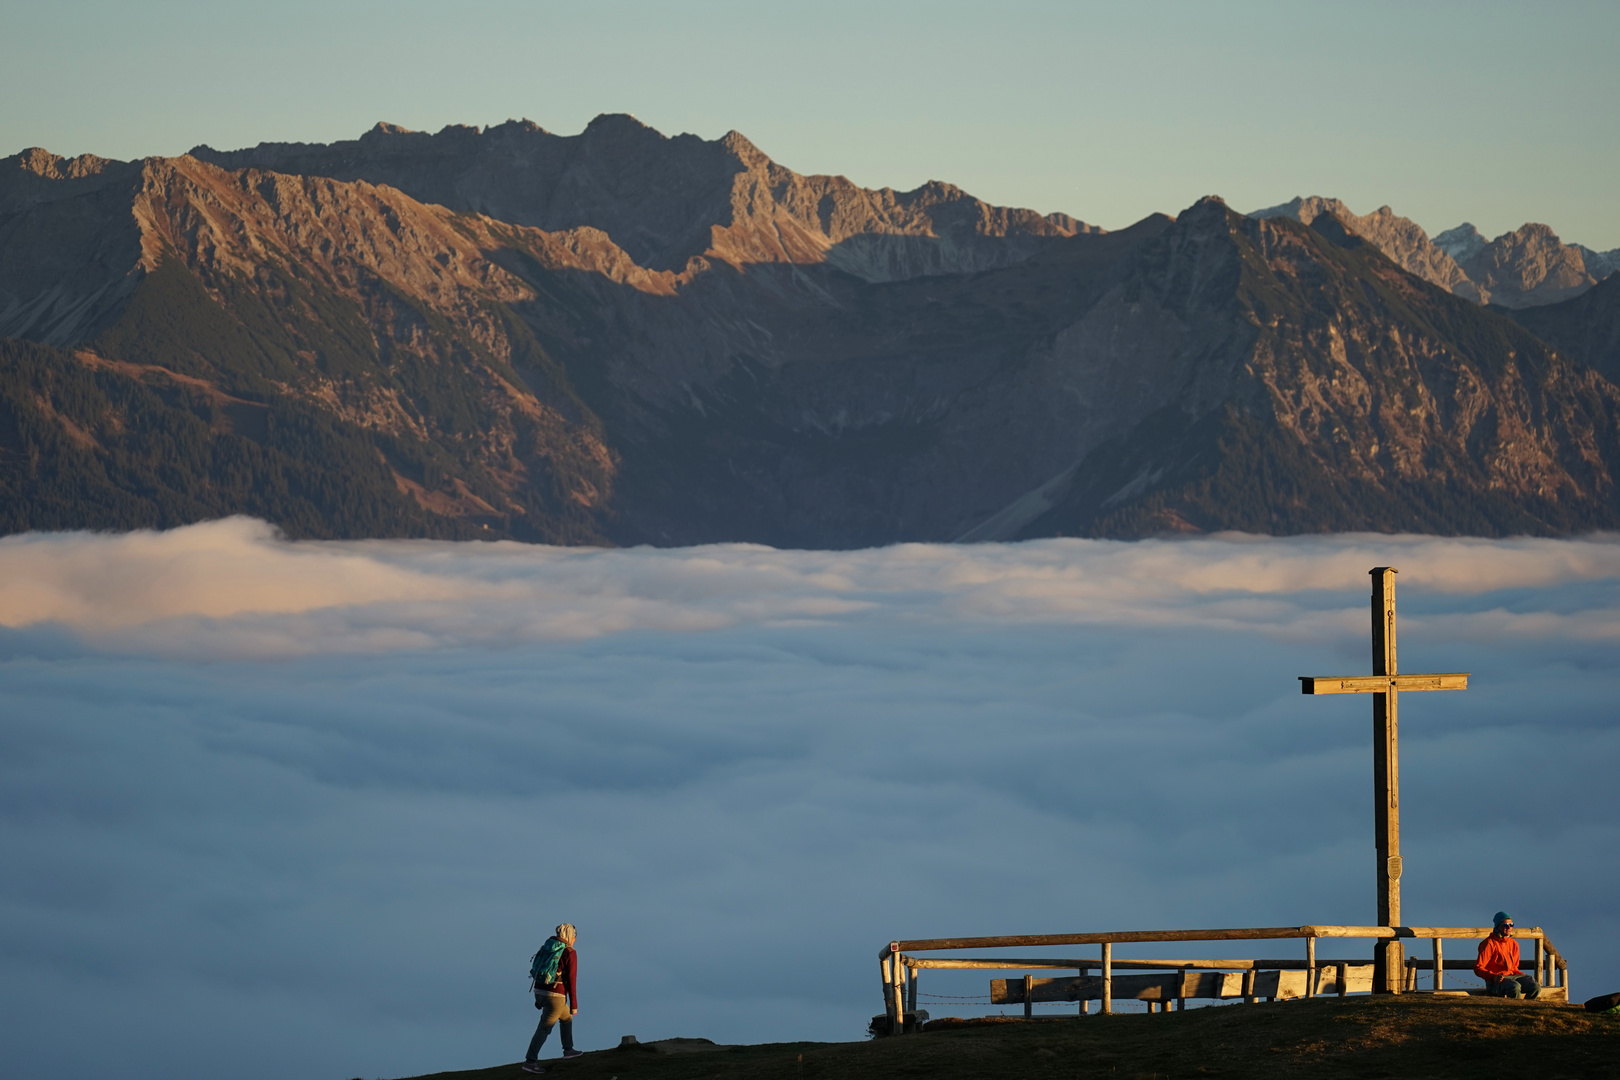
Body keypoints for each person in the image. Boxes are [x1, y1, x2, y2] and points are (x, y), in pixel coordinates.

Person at [522, 923, 583, 1074]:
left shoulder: (549, 946)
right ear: (570, 936)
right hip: (555, 995)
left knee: (566, 1017)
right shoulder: (569, 952)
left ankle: (568, 1050)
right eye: (575, 936)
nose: (575, 939)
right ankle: (530, 1061)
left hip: (540, 991)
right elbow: (571, 979)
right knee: (544, 1028)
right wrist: (574, 1004)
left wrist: (538, 998)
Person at [1474, 911, 1538, 999]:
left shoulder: (1514, 944)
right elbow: (1478, 968)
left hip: (1512, 977)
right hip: (1495, 981)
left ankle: (1525, 1008)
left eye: (1511, 924)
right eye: (1505, 924)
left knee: (1535, 986)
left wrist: (1523, 976)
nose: (1508, 927)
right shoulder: (1488, 943)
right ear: (1497, 926)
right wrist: (1493, 977)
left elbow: (1514, 968)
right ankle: (1513, 1008)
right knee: (1514, 987)